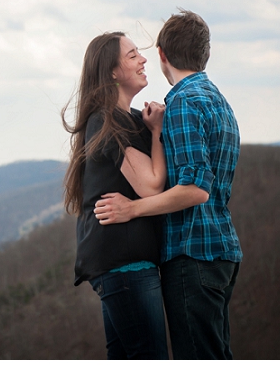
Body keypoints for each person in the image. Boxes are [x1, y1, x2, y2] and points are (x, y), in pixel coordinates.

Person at [94, 9, 242, 359]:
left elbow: (196, 189)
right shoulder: (219, 102)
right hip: (221, 251)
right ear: (204, 54)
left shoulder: (183, 103)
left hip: (192, 253)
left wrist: (132, 208)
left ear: (162, 54)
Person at [62, 31, 169, 360]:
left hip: (122, 267)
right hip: (126, 266)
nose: (143, 59)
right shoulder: (106, 121)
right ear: (111, 71)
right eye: (133, 54)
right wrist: (158, 133)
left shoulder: (129, 118)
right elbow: (151, 185)